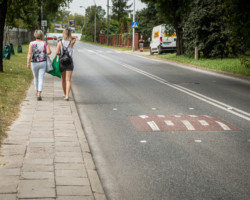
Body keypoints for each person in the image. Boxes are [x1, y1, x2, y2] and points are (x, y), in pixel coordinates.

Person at [27, 30, 52, 101]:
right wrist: (49, 51)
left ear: (35, 35)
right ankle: (39, 93)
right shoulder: (45, 43)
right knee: (41, 78)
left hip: (34, 62)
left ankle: (36, 91)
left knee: (35, 77)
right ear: (41, 35)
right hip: (42, 62)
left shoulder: (31, 43)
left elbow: (29, 54)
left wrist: (28, 63)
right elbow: (49, 52)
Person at [56, 28, 76, 101]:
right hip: (69, 63)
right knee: (68, 80)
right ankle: (67, 96)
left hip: (62, 63)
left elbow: (56, 53)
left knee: (63, 80)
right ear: (70, 34)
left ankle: (65, 94)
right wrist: (70, 36)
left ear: (63, 34)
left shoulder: (59, 43)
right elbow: (74, 38)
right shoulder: (72, 42)